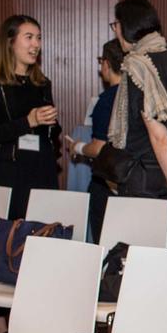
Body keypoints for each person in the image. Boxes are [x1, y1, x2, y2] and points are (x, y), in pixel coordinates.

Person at [109, 0, 167, 247]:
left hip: (143, 177)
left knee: (134, 257)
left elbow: (158, 132)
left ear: (128, 26)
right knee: (162, 252)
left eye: (116, 24)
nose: (115, 30)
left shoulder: (138, 65)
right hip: (165, 173)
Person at [0, 15, 61, 219]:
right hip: (7, 176)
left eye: (39, 38)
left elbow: (49, 136)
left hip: (42, 173)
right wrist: (28, 122)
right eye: (29, 37)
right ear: (10, 42)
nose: (36, 44)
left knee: (42, 238)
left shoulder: (42, 84)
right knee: (7, 244)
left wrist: (51, 126)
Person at [67, 39, 124, 242]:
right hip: (131, 182)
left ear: (107, 64)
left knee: (105, 246)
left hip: (106, 183)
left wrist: (78, 147)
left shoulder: (107, 100)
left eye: (101, 61)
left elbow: (99, 148)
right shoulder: (138, 96)